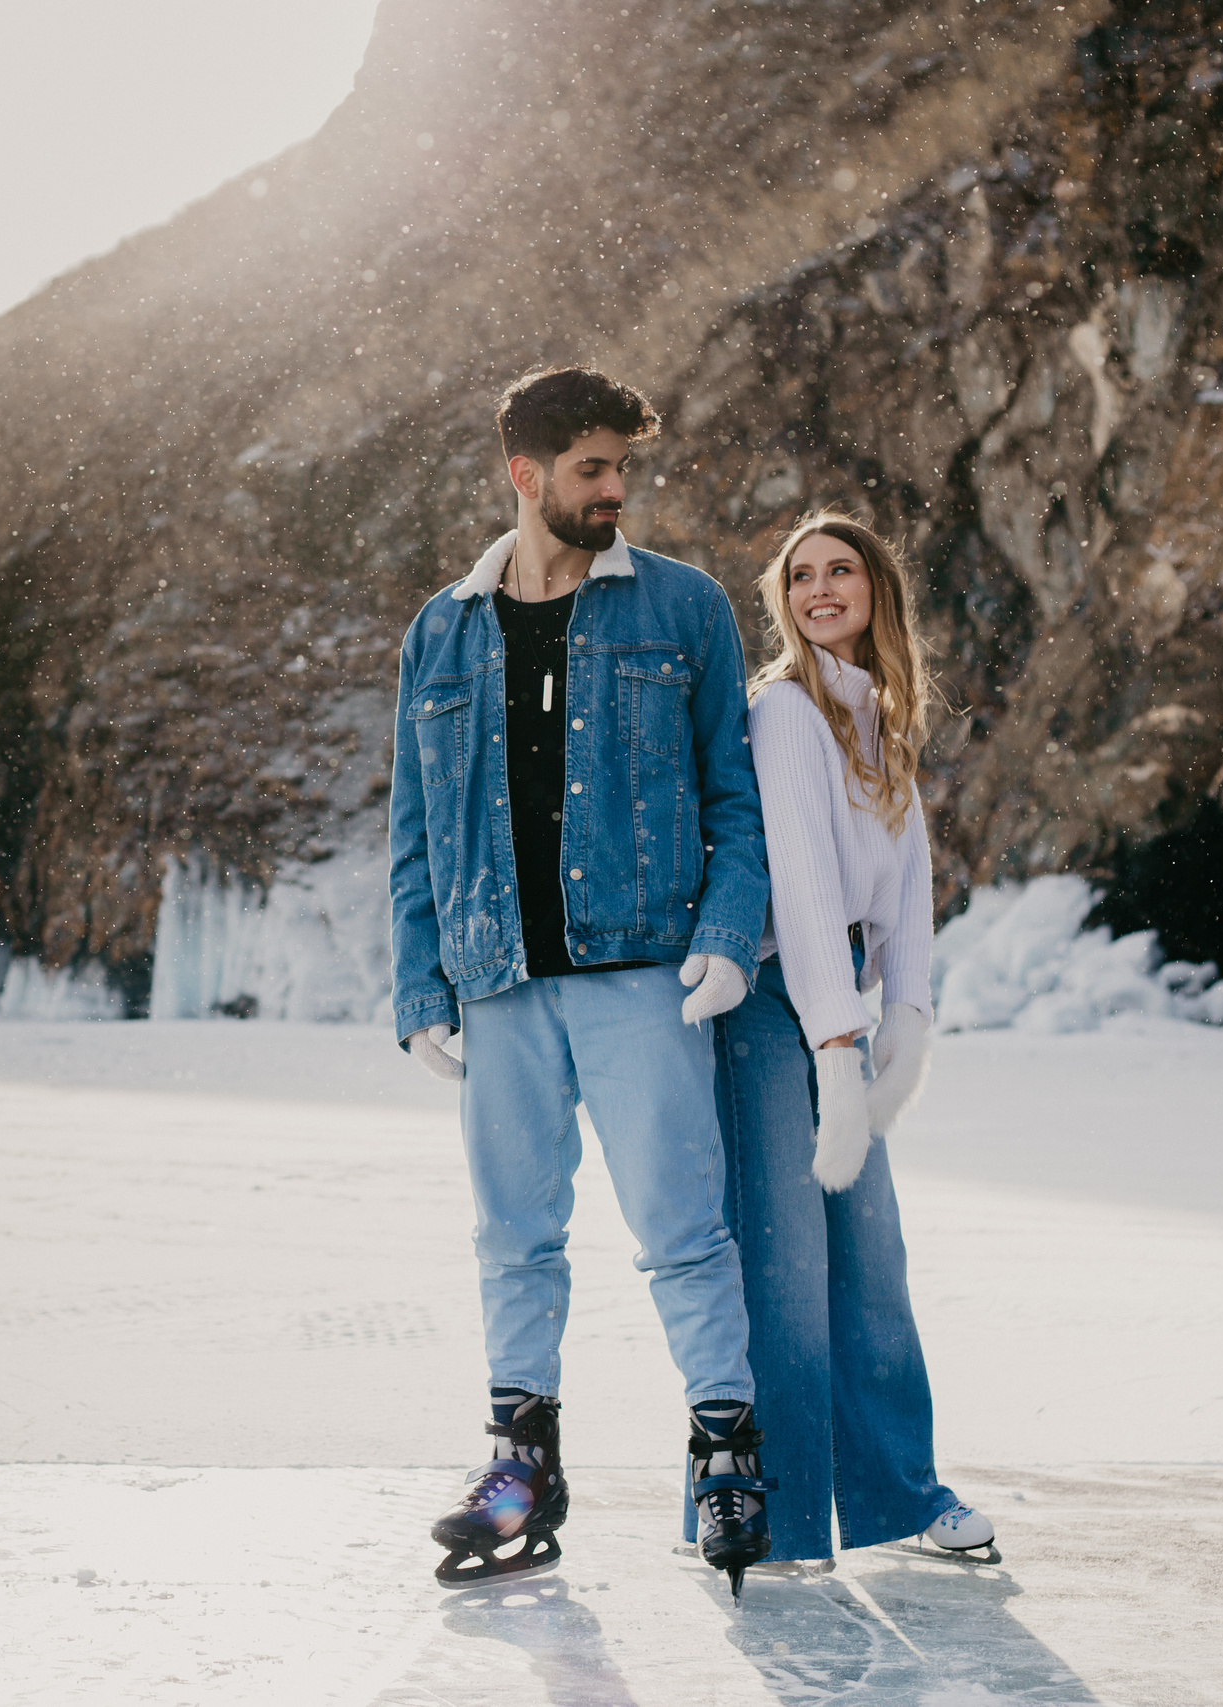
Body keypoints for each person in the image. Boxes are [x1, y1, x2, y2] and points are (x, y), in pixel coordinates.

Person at [389, 367, 777, 1595]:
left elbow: (735, 796)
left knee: (682, 1232)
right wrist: (420, 988)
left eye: (624, 468)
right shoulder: (441, 629)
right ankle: (519, 1470)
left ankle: (724, 1461)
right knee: (513, 1236)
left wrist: (724, 933)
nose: (617, 490)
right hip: (497, 980)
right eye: (593, 469)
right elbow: (414, 829)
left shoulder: (683, 610)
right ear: (526, 476)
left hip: (640, 977)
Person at [698, 507, 997, 1567]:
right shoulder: (785, 713)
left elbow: (906, 888)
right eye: (800, 576)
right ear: (780, 600)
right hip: (774, 1007)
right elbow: (805, 886)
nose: (820, 590)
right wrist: (836, 1044)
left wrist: (903, 1017)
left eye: (841, 572)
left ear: (877, 590)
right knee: (782, 1270)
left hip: (836, 1014)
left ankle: (898, 1496)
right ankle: (762, 1508)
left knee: (871, 1260)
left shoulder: (883, 712)